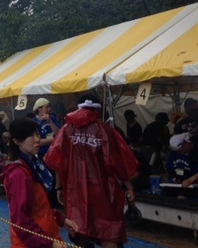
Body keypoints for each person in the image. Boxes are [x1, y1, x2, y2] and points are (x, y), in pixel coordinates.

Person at [45, 95, 138, 248]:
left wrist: (59, 187)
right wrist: (129, 187)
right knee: (108, 231)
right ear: (98, 110)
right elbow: (118, 161)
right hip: (104, 190)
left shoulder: (66, 130)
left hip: (76, 191)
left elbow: (57, 160)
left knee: (80, 228)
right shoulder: (105, 130)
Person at [0, 118, 78, 247]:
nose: (37, 139)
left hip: (44, 236)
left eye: (37, 134)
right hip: (32, 243)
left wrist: (61, 219)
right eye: (30, 136)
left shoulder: (33, 166)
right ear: (16, 141)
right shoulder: (19, 175)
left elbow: (40, 206)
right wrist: (49, 243)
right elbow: (20, 220)